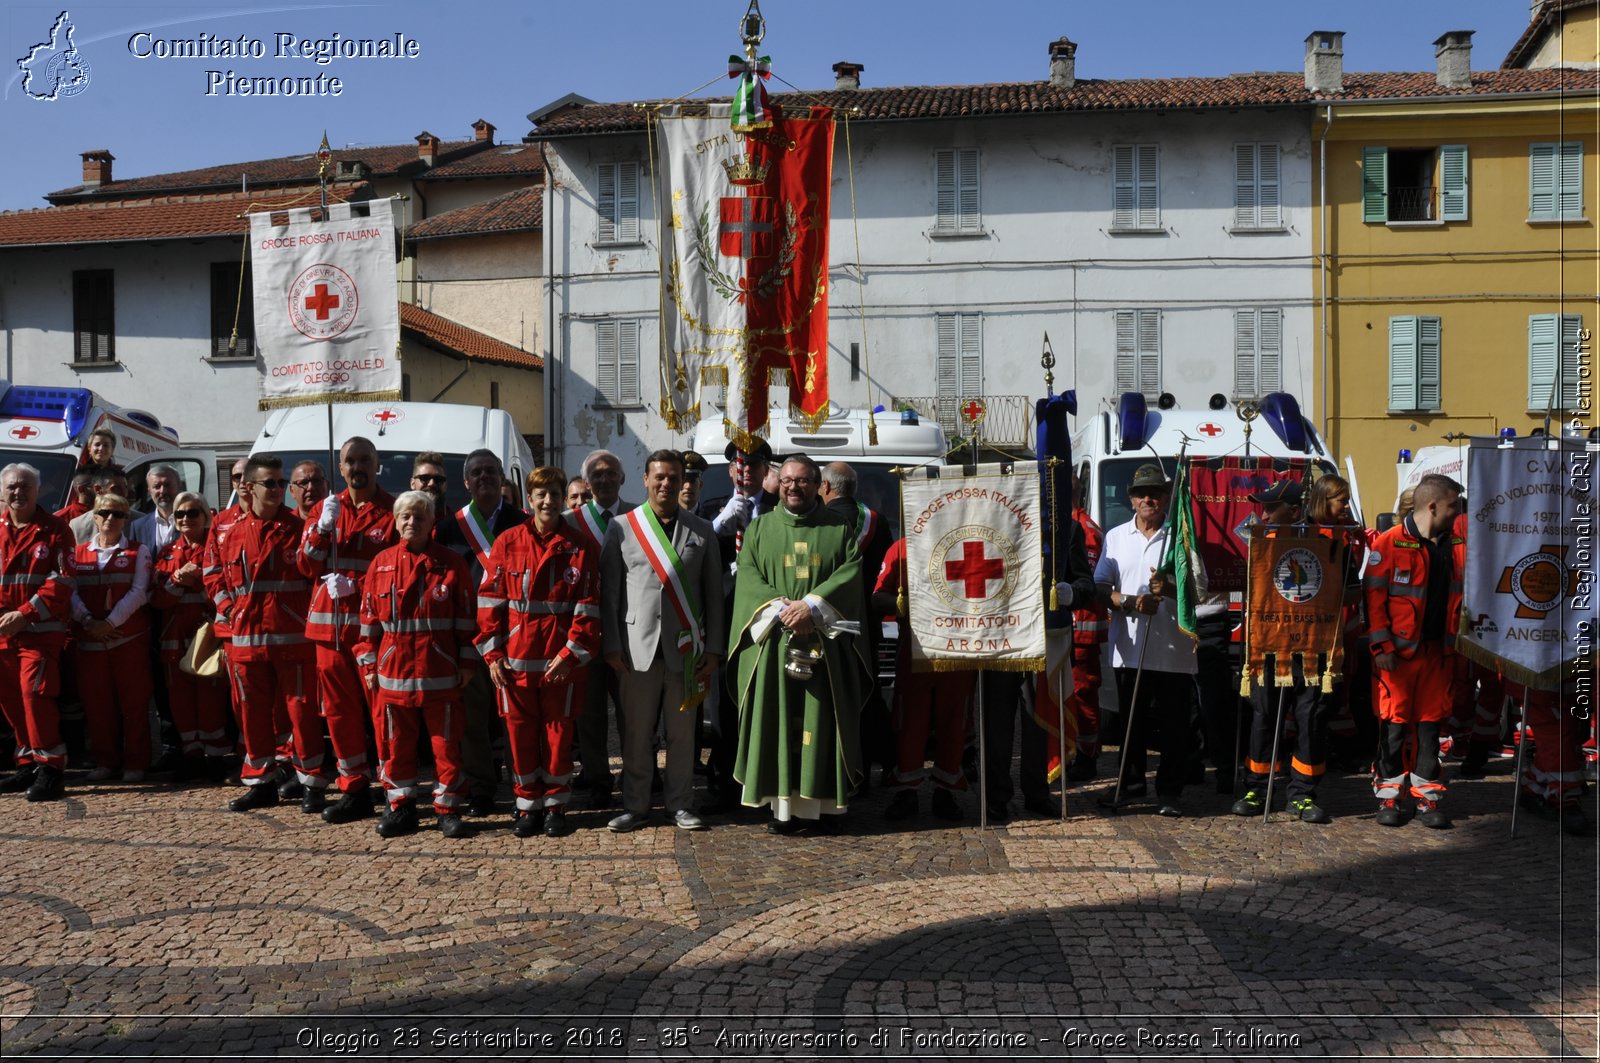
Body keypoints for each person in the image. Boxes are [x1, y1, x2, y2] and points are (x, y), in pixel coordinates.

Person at [729, 454, 873, 834]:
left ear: (818, 484)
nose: (795, 487)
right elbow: (749, 577)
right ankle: (782, 810)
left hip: (825, 645)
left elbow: (852, 572)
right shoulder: (760, 529)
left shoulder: (839, 528)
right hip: (775, 644)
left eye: (804, 480)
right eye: (789, 480)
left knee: (821, 721)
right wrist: (785, 611)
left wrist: (812, 607)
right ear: (778, 484)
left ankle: (823, 806)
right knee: (777, 720)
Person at [601, 450, 724, 833]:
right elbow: (609, 594)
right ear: (645, 479)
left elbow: (713, 597)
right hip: (636, 647)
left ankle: (680, 805)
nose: (667, 484)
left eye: (674, 477)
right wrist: (611, 644)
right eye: (660, 477)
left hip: (687, 650)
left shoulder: (702, 531)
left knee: (683, 733)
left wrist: (715, 649)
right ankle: (636, 806)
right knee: (636, 734)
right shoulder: (622, 527)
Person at [477, 466, 601, 837]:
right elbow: (489, 604)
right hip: (514, 664)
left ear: (564, 499)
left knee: (558, 737)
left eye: (555, 494)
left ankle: (556, 807)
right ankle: (526, 806)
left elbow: (588, 607)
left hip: (560, 665)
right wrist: (492, 655)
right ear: (529, 500)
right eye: (541, 494)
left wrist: (571, 654)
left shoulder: (580, 546)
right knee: (520, 737)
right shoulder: (507, 542)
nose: (548, 501)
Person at [355, 491, 476, 840]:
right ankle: (400, 807)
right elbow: (368, 624)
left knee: (446, 747)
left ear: (431, 521)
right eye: (405, 516)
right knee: (395, 746)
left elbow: (466, 619)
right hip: (393, 675)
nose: (412, 522)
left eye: (419, 516)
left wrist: (466, 662)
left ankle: (448, 809)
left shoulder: (451, 563)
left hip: (440, 673)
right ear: (395, 522)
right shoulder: (380, 564)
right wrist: (369, 666)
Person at [205, 454, 315, 812]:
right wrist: (228, 610)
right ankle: (260, 782)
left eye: (282, 483)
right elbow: (213, 575)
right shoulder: (229, 532)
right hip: (246, 641)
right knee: (251, 715)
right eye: (271, 483)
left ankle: (310, 780)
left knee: (301, 713)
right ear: (248, 488)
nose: (279, 489)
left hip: (292, 640)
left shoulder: (299, 528)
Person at [298, 436, 396, 822]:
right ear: (339, 468)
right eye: (350, 461)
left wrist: (360, 583)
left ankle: (394, 788)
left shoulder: (391, 510)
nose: (357, 467)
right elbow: (306, 566)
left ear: (376, 465)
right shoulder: (326, 508)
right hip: (330, 631)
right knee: (339, 715)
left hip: (374, 632)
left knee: (382, 714)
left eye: (364, 460)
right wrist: (322, 528)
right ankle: (354, 789)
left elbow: (397, 565)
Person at [1231, 479, 1339, 823]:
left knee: (1309, 722)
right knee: (1263, 720)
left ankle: (1303, 794)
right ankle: (1257, 788)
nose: (1262, 513)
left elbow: (1348, 593)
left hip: (1312, 651)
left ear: (1294, 512)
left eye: (1270, 508)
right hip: (1269, 649)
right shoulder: (1260, 544)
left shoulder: (1327, 544)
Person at [1093, 463, 1198, 817]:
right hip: (1130, 649)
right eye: (1141, 493)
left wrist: (1168, 588)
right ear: (1132, 500)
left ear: (1166, 497)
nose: (1148, 498)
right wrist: (1128, 602)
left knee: (1173, 728)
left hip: (1174, 651)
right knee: (1130, 726)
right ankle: (1130, 784)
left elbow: (1202, 588)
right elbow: (1100, 587)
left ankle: (1170, 792)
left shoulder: (1181, 536)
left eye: (1154, 492)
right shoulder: (1116, 536)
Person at [1364, 472, 1464, 829]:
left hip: (1440, 654)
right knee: (1393, 727)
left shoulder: (1457, 545)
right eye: (1454, 505)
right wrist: (1380, 646)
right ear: (1433, 505)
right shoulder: (1388, 544)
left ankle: (1428, 797)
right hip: (1398, 656)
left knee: (1429, 730)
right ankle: (1389, 794)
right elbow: (1372, 600)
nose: (1458, 512)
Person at [434, 449, 527, 816]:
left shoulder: (523, 521)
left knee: (514, 717)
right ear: (466, 481)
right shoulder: (448, 528)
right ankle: (482, 788)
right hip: (471, 638)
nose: (484, 477)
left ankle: (523, 786)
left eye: (491, 470)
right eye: (477, 472)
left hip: (515, 637)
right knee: (473, 720)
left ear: (502, 477)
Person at [698, 439, 778, 811]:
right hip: (726, 620)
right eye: (739, 466)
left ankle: (766, 779)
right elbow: (690, 557)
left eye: (754, 465)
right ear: (730, 471)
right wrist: (716, 528)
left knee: (766, 704)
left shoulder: (780, 509)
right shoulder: (710, 510)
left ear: (766, 472)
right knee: (724, 707)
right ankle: (725, 783)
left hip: (768, 621)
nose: (745, 472)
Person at [873, 536, 973, 822]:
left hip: (959, 650)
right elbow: (878, 596)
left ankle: (946, 791)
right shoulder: (902, 547)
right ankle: (906, 792)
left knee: (954, 722)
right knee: (910, 724)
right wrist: (904, 604)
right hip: (915, 650)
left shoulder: (968, 541)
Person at [0, 463, 76, 802]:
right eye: (12, 486)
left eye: (25, 486)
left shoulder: (56, 529)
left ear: (38, 490)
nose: (18, 492)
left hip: (39, 633)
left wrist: (25, 613)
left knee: (35, 696)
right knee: (12, 702)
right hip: (3, 634)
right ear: (2, 491)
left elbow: (62, 580)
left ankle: (51, 768)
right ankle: (27, 761)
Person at [817, 461, 894, 789]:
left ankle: (841, 770)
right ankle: (887, 763)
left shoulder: (820, 523)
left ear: (825, 488)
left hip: (826, 624)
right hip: (867, 624)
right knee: (868, 695)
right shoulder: (875, 520)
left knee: (834, 697)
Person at [71, 493, 154, 782]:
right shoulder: (77, 552)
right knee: (97, 705)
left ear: (126, 519)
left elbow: (139, 591)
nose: (110, 519)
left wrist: (109, 622)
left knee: (133, 704)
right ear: (94, 517)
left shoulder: (138, 550)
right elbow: (70, 591)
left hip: (127, 641)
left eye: (118, 514)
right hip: (90, 641)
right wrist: (87, 620)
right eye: (104, 513)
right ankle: (105, 761)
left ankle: (135, 762)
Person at [569, 448, 634, 807]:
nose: (605, 480)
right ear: (587, 482)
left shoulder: (640, 516)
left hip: (628, 632)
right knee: (589, 714)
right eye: (597, 475)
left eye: (611, 473)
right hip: (586, 634)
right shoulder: (570, 520)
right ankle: (596, 777)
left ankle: (638, 773)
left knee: (632, 712)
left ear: (622, 478)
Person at [152, 491, 231, 779]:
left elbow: (227, 590)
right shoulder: (167, 552)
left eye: (193, 512)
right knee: (180, 701)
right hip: (174, 638)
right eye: (180, 514)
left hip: (207, 634)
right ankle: (192, 755)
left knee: (211, 698)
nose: (186, 518)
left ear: (205, 515)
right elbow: (156, 598)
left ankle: (216, 757)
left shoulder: (217, 547)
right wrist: (175, 580)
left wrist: (198, 580)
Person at [1067, 474, 1109, 781]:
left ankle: (1085, 757)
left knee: (1082, 695)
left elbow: (1087, 583)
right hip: (1068, 628)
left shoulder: (1085, 530)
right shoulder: (1077, 525)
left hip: (1080, 629)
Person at [130, 464, 182, 556]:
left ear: (179, 486)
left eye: (167, 485)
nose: (163, 491)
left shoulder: (192, 521)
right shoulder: (138, 527)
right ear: (149, 491)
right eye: (157, 486)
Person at [70, 466, 129, 544]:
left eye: (125, 488)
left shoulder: (139, 522)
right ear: (98, 489)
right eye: (116, 488)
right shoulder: (77, 526)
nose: (124, 493)